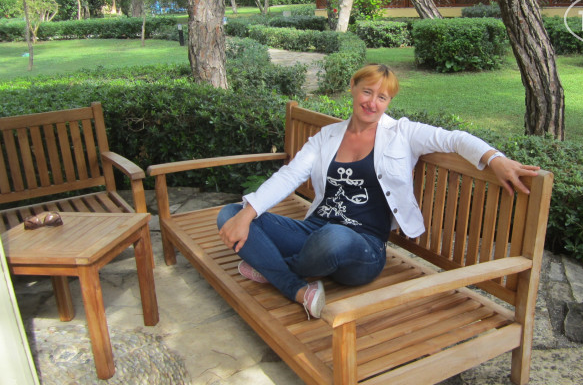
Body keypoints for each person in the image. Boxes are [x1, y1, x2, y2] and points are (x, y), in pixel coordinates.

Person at [217, 64, 539, 320]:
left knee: (332, 238)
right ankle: (297, 289)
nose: (372, 103)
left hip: (363, 247)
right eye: (367, 91)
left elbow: (454, 138)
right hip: (313, 231)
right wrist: (248, 213)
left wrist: (495, 159)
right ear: (353, 88)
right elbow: (290, 175)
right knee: (231, 214)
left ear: (388, 102)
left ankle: (272, 267)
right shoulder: (326, 136)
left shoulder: (403, 133)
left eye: (382, 97)